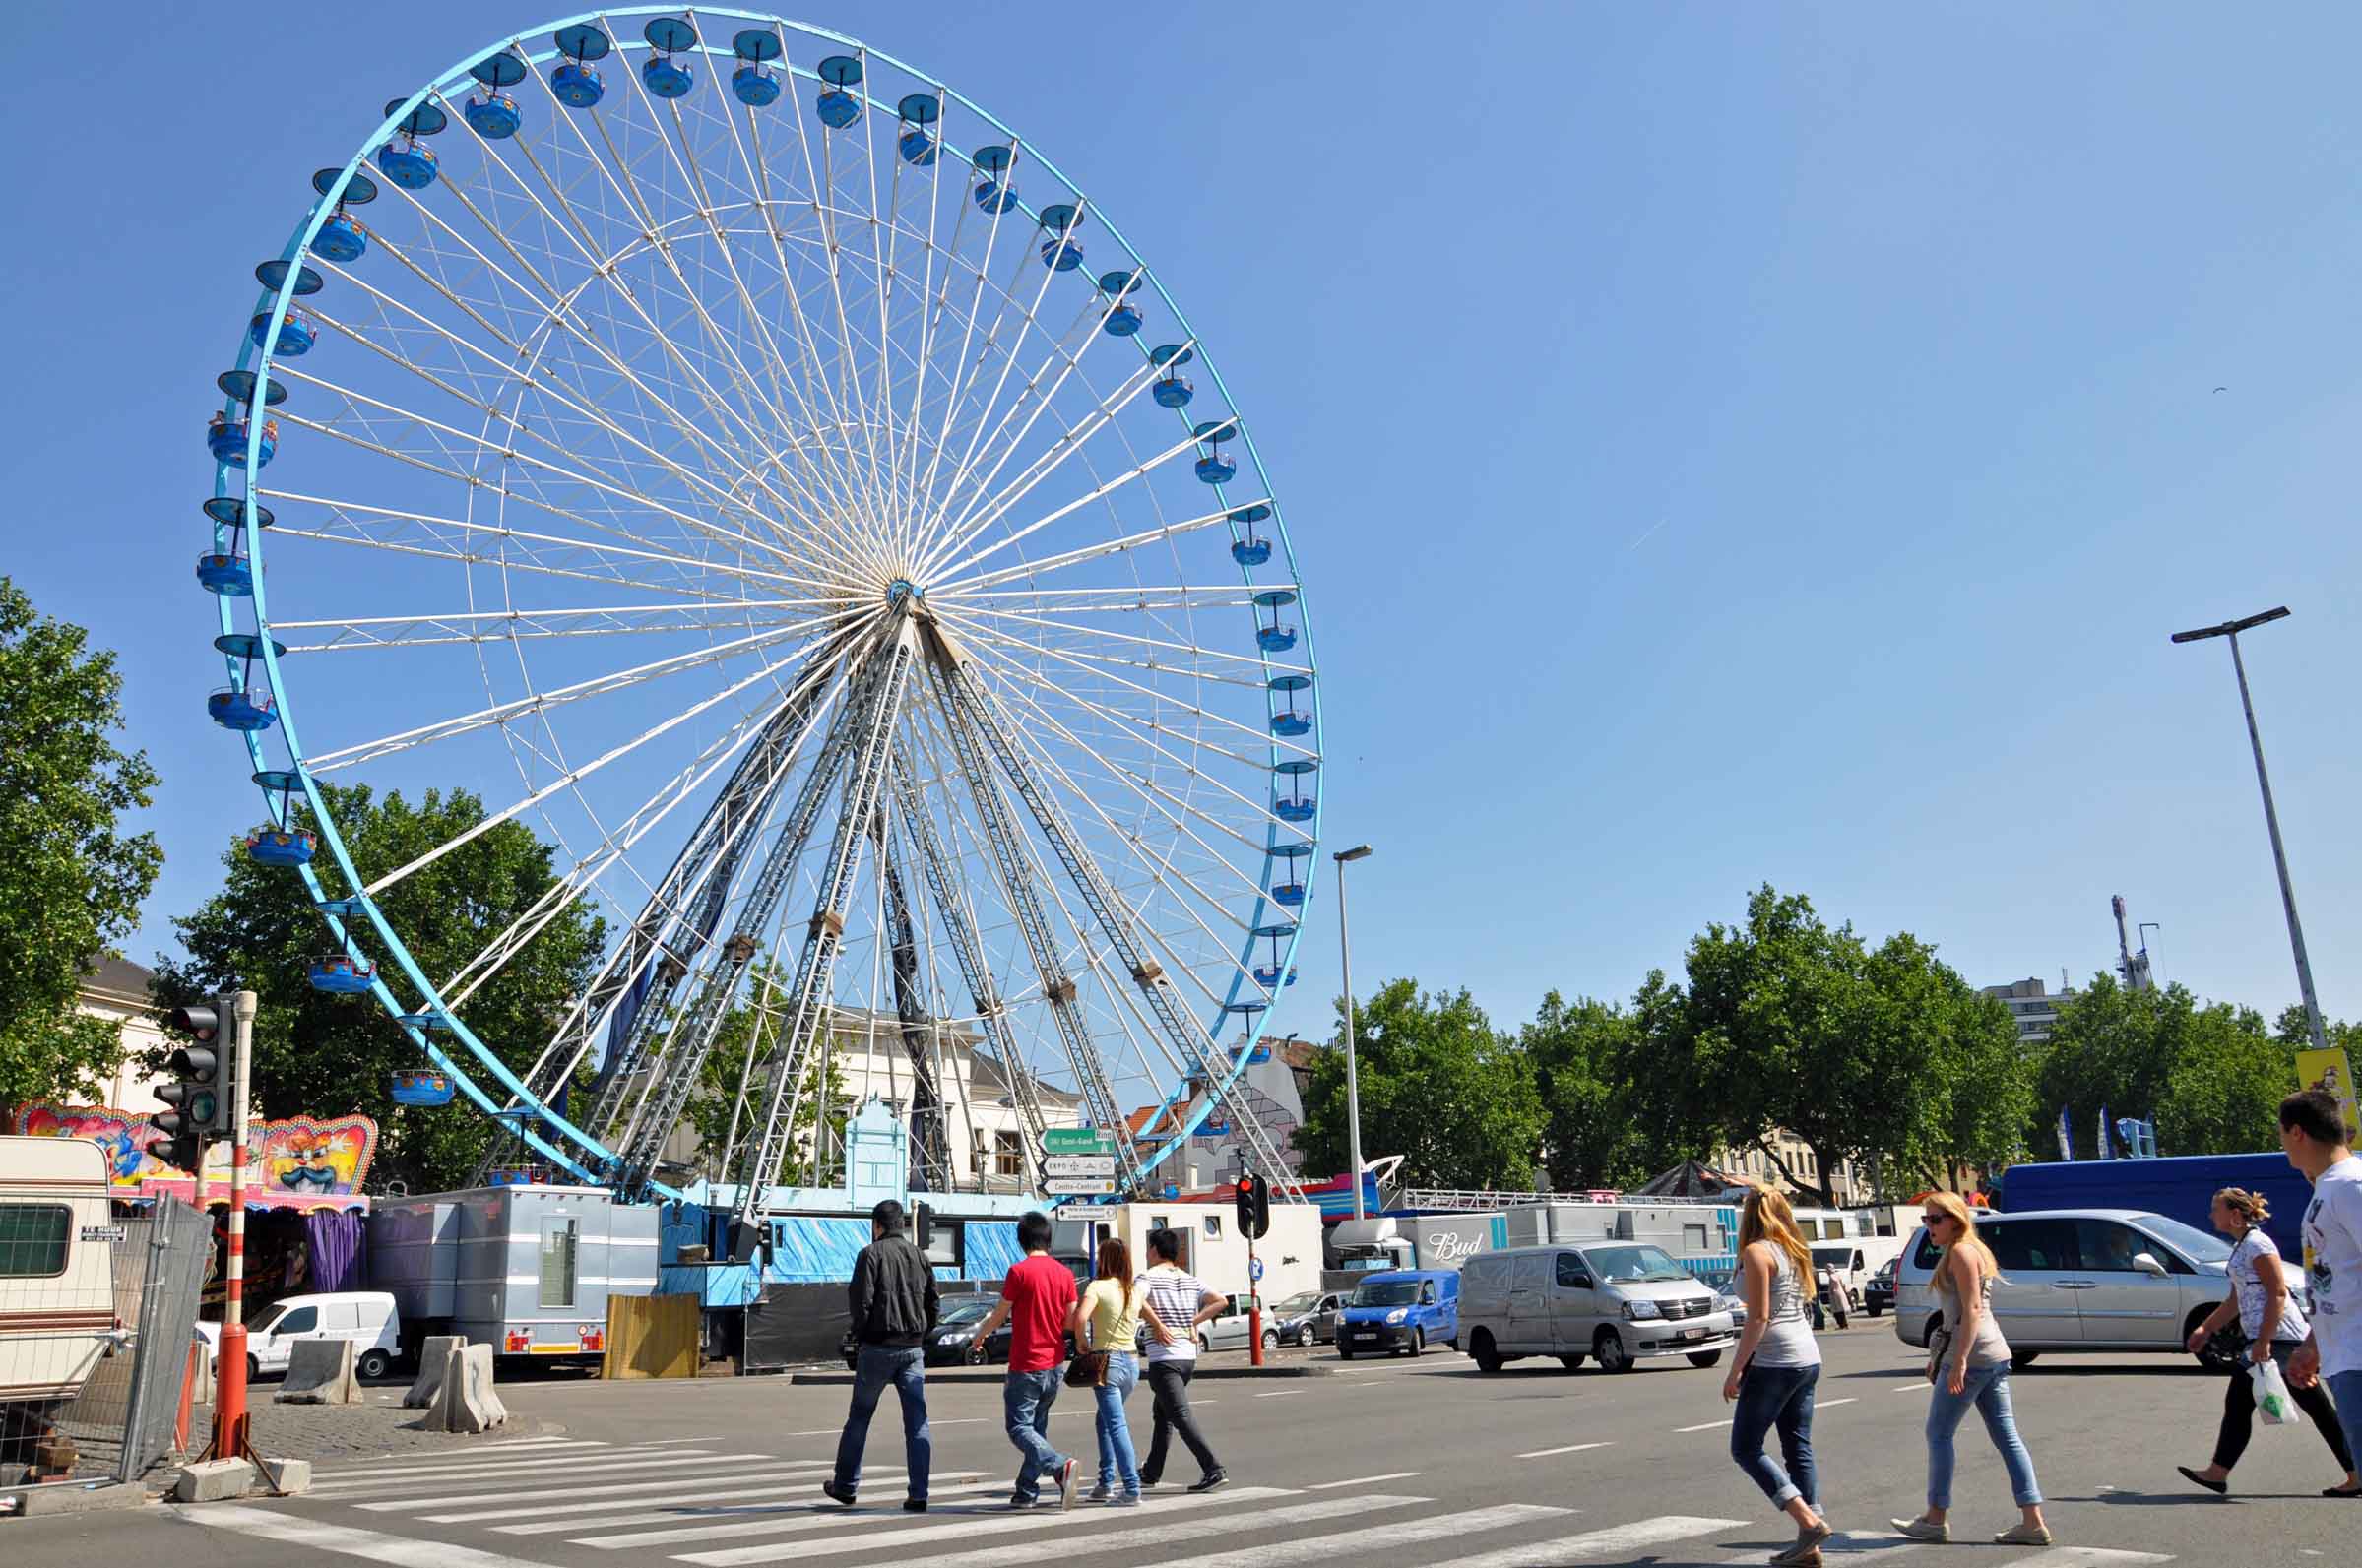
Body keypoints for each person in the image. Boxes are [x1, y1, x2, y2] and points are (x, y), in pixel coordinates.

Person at [2175, 1186, 2359, 1497]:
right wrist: (2205, 1329)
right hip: (2267, 1338)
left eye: (2215, 1209)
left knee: (2311, 1406)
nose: (2210, 1215)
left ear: (2234, 1215)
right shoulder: (2243, 1246)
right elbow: (2236, 1300)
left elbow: (2277, 1292)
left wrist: (2263, 1341)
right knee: (2248, 1403)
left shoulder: (2258, 1245)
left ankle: (2356, 1472)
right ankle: (2218, 1472)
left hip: (2280, 1337)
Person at [1890, 1192, 2050, 1547]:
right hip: (1992, 1354)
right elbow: (1959, 1315)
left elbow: (1972, 1309)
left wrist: (1958, 1361)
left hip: (1974, 1356)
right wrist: (1941, 1356)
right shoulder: (1970, 1250)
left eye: (1935, 1219)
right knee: (2007, 1438)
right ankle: (2032, 1521)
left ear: (1956, 1220)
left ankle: (1935, 1517)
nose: (1929, 1227)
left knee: (1939, 1433)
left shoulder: (1962, 1252)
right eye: (1925, 1220)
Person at [1722, 1185, 1836, 1567]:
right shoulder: (1793, 1250)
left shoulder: (1757, 1252)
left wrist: (1736, 1368)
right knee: (1797, 1446)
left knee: (1745, 1447)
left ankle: (1808, 1521)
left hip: (1776, 1360)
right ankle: (1811, 1545)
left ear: (1749, 1214)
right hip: (1806, 1357)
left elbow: (1758, 1317)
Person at [823, 1199, 938, 1512]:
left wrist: (862, 1336)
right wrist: (920, 1334)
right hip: (912, 1349)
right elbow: (933, 1302)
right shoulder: (919, 1256)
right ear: (901, 1225)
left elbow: (860, 1301)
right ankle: (919, 1493)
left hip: (877, 1347)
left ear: (877, 1226)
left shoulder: (869, 1254)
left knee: (859, 1418)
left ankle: (846, 1486)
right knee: (917, 1423)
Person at [971, 1210, 1079, 1509]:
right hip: (1055, 1363)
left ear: (1022, 1240)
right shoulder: (1065, 1274)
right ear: (1048, 1238)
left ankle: (1060, 1466)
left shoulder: (1019, 1272)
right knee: (1037, 1429)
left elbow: (1000, 1314)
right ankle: (1026, 1492)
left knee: (1019, 1428)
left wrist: (980, 1335)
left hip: (1026, 1363)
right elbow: (1071, 1320)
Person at [2283, 1088, 2362, 1483]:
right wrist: (2314, 1344)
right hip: (2344, 1356)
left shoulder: (2349, 1186)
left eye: (2282, 1136)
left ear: (2297, 1133)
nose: (2283, 1148)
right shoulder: (2329, 1188)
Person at [1136, 1227, 1228, 1493]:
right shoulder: (1190, 1279)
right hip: (1188, 1358)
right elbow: (1220, 1301)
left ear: (1154, 1251)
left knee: (1179, 1415)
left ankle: (1213, 1468)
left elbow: (1136, 1300)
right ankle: (1151, 1472)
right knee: (1162, 1414)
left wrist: (1157, 1324)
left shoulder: (1148, 1276)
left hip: (1164, 1359)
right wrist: (1193, 1322)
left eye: (1148, 1248)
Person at [1069, 1236, 1155, 1505]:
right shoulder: (1132, 1289)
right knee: (1105, 1420)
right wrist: (1162, 1329)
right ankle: (1105, 1482)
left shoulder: (1098, 1286)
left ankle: (1131, 1488)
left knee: (1116, 1425)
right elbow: (1148, 1314)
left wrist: (1082, 1342)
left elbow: (1079, 1318)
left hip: (1107, 1363)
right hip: (1131, 1364)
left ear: (1104, 1259)